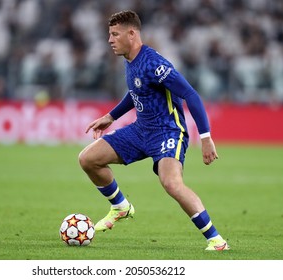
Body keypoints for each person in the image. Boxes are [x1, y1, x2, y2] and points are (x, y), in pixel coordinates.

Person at [78, 10, 229, 251]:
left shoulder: (154, 64)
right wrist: (111, 116)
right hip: (141, 130)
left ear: (132, 34)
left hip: (168, 131)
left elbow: (190, 94)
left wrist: (206, 137)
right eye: (109, 34)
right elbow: (136, 91)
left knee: (171, 183)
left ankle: (216, 240)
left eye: (115, 34)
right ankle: (120, 206)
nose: (110, 40)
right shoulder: (130, 60)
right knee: (88, 159)